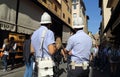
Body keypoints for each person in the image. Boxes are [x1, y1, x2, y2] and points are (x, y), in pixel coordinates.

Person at [31, 12, 56, 77]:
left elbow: (32, 50)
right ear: (49, 24)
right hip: (46, 64)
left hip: (37, 63)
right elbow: (51, 51)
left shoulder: (34, 33)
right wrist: (55, 47)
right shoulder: (49, 32)